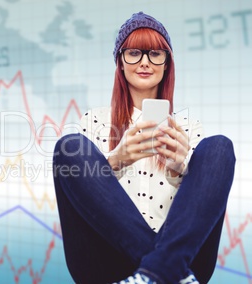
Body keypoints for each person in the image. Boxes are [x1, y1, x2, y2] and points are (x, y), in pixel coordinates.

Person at [52, 11, 236, 284]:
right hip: (107, 261)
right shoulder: (94, 121)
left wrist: (180, 167)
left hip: (183, 252)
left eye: (155, 53)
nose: (145, 62)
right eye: (134, 53)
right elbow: (83, 197)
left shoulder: (188, 128)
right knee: (69, 146)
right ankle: (169, 272)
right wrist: (116, 160)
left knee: (220, 147)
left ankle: (155, 272)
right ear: (120, 63)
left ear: (166, 64)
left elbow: (201, 203)